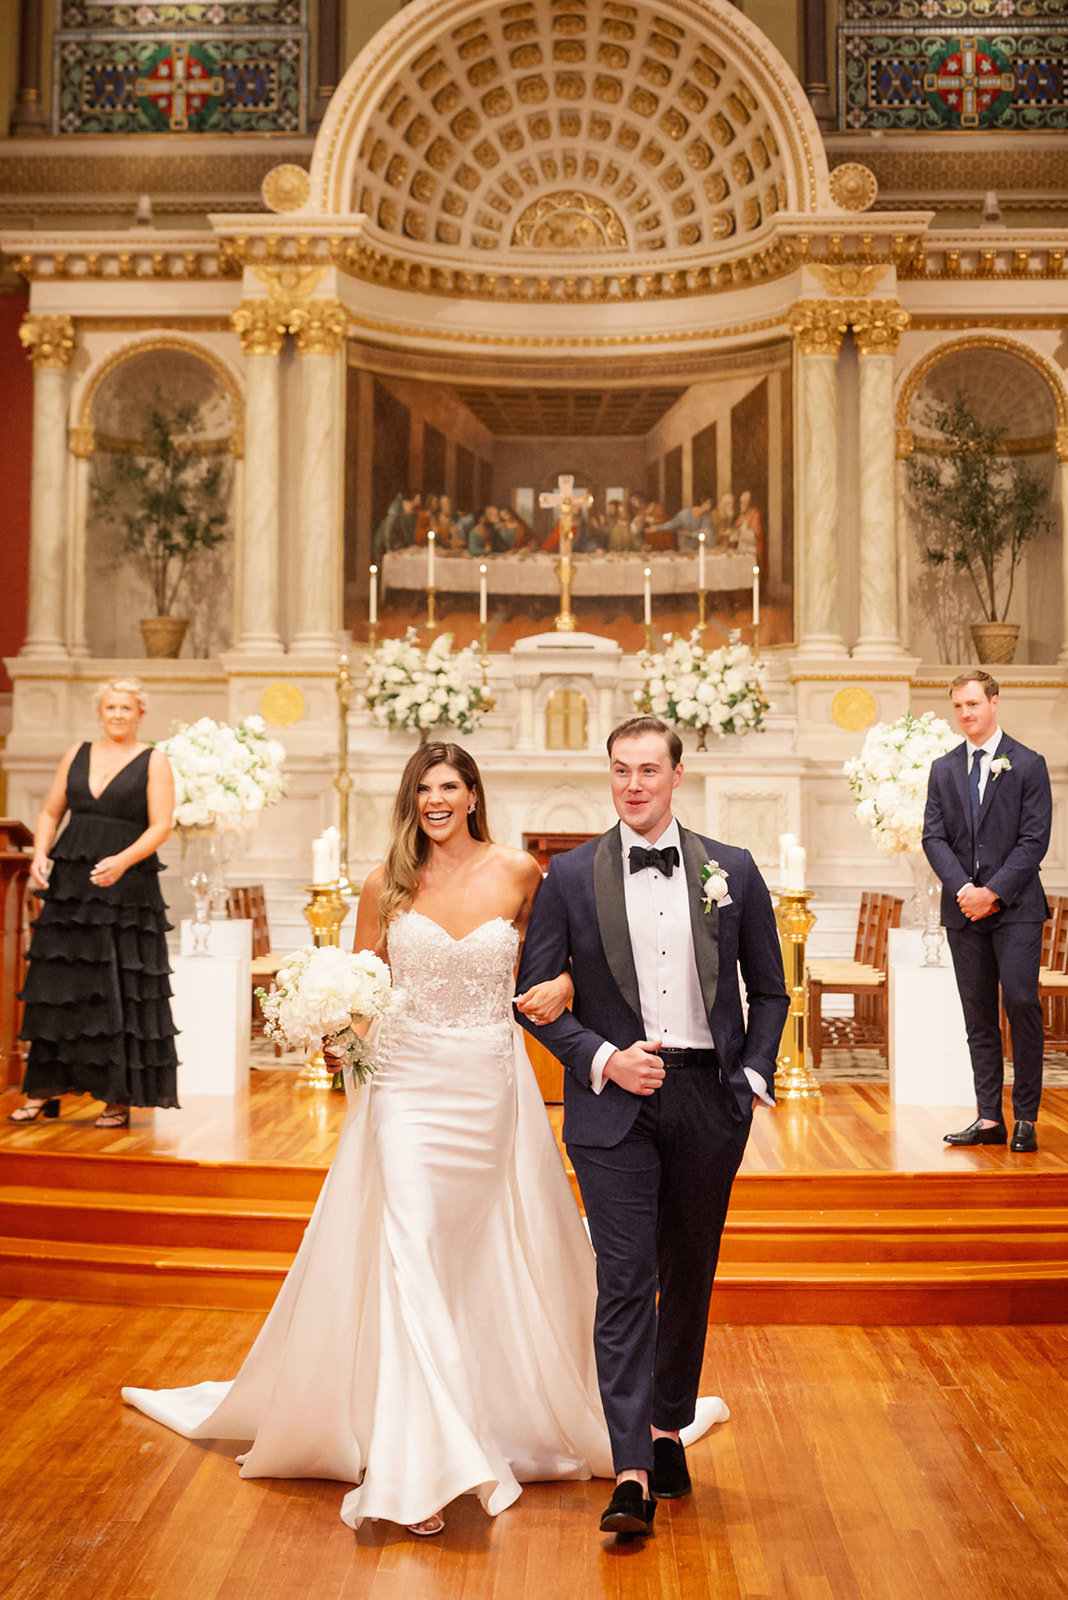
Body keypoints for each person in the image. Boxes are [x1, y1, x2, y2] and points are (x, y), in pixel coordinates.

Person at [122, 743, 613, 1536]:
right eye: (424, 788)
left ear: (474, 795)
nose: (436, 800)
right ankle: (422, 1462)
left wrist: (564, 983)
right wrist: (335, 1023)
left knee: (472, 1254)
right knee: (410, 1249)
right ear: (410, 799)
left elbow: (573, 961)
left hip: (488, 1087)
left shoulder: (522, 872)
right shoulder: (387, 882)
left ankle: (489, 1413)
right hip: (407, 1087)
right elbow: (364, 983)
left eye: (450, 786)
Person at [515, 715, 788, 1537]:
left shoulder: (732, 870)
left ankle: (670, 1426)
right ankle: (630, 1465)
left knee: (688, 1270)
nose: (634, 784)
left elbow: (770, 990)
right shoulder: (565, 877)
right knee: (626, 1277)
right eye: (620, 770)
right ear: (609, 776)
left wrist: (750, 1075)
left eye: (648, 769)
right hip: (614, 1106)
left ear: (677, 774)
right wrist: (601, 1057)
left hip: (710, 1099)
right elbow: (532, 999)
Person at [10, 677, 178, 1129]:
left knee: (114, 986)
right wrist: (41, 853)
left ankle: (116, 1098)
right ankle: (42, 1090)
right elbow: (50, 812)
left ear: (140, 713)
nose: (118, 715)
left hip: (126, 887)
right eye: (111, 707)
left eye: (126, 708)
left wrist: (122, 862)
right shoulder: (76, 752)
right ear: (100, 712)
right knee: (59, 987)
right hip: (71, 881)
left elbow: (161, 825)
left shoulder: (154, 760)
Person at [922, 671, 1052, 1153]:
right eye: (958, 706)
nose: (966, 714)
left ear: (995, 703)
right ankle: (988, 1116)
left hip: (1015, 908)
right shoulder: (944, 768)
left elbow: (1034, 840)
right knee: (978, 1015)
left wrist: (992, 891)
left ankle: (1026, 1117)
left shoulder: (1029, 764)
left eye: (974, 704)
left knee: (1020, 1004)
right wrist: (963, 890)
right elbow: (932, 836)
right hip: (963, 912)